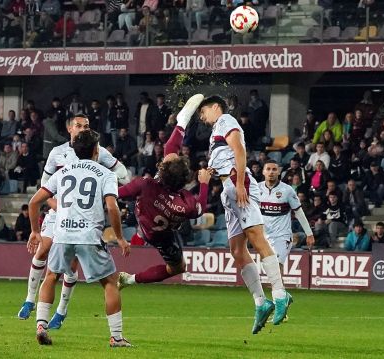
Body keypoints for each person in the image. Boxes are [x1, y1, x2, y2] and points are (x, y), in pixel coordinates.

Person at [17, 114, 130, 327]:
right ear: (70, 129)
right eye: (79, 126)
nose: (82, 129)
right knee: (45, 250)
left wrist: (121, 176)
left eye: (86, 126)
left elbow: (35, 199)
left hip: (74, 220)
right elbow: (46, 190)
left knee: (64, 267)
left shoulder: (97, 155)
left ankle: (58, 312)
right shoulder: (58, 153)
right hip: (61, 213)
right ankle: (30, 300)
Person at [197, 95, 292, 334]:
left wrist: (240, 184)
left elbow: (239, 150)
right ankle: (261, 303)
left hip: (239, 184)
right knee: (237, 251)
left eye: (204, 111)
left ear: (215, 107)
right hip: (227, 188)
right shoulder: (217, 130)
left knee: (257, 239)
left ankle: (280, 294)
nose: (202, 117)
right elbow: (226, 155)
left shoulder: (226, 119)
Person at [117, 95, 212, 289]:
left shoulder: (146, 184)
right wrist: (204, 183)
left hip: (144, 219)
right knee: (177, 268)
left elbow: (117, 193)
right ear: (186, 180)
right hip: (161, 236)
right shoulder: (185, 204)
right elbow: (201, 206)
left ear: (161, 170)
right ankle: (129, 279)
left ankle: (182, 122)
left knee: (170, 147)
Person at [258, 160, 315, 266]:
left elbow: (299, 212)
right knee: (269, 270)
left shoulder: (287, 190)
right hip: (264, 236)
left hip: (282, 236)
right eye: (268, 169)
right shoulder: (256, 189)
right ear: (263, 172)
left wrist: (309, 234)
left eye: (274, 169)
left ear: (279, 172)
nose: (271, 172)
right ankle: (279, 283)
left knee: (276, 265)